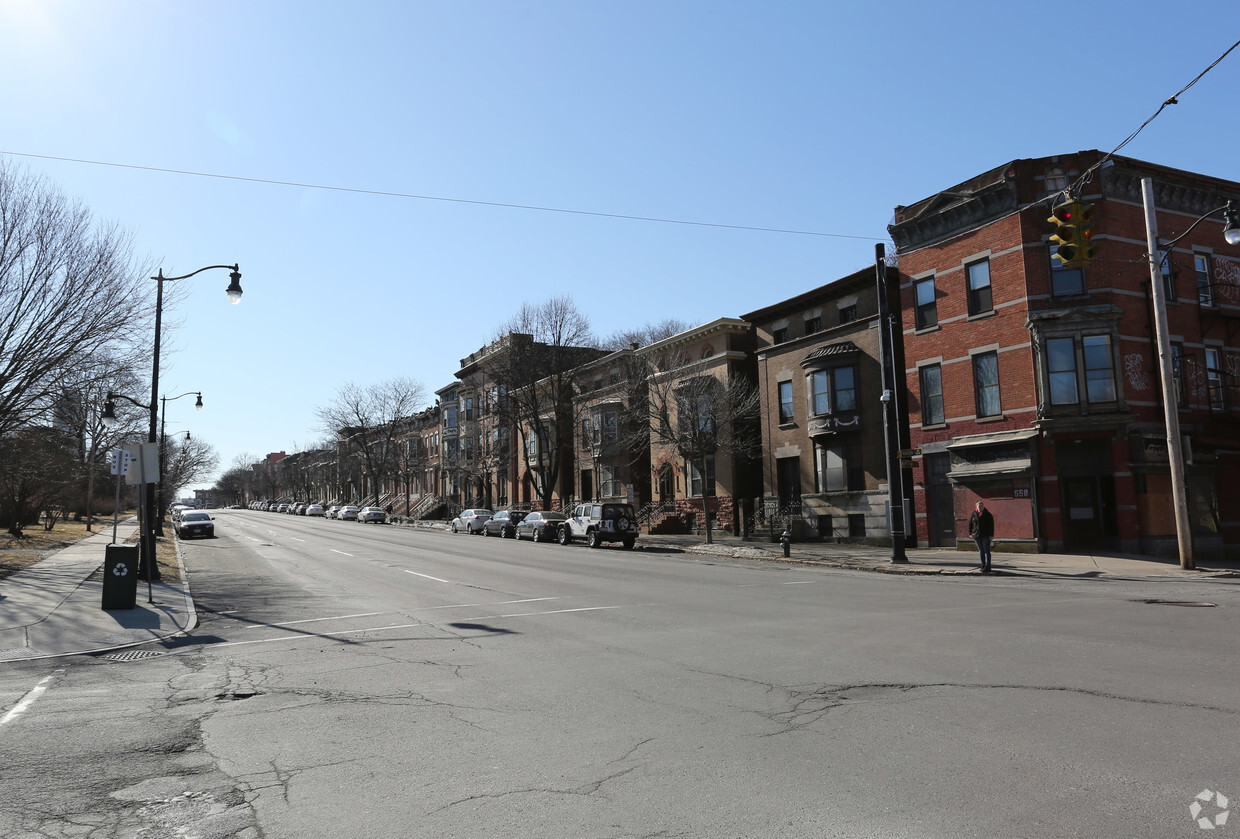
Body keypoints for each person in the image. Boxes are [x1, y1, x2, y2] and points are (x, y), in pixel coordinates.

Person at [968, 500, 994, 572]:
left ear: (983, 506)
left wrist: (991, 535)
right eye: (979, 506)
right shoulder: (974, 514)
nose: (980, 507)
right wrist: (970, 533)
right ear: (976, 506)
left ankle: (988, 566)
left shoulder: (988, 514)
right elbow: (970, 524)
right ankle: (983, 565)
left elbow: (991, 526)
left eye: (981, 506)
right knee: (981, 551)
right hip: (976, 535)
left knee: (987, 551)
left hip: (985, 535)